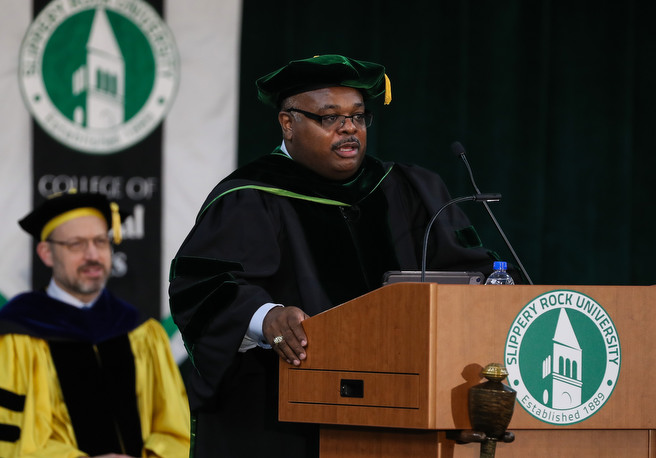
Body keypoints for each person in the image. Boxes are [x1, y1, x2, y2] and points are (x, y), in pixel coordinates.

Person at [168, 54, 503, 457]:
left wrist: (496, 288)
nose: (349, 128)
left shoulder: (409, 189)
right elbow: (200, 286)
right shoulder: (248, 196)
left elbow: (468, 268)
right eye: (330, 117)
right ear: (287, 123)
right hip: (281, 419)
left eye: (358, 117)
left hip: (399, 410)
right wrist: (265, 317)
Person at [0, 192, 190, 458]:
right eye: (76, 244)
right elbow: (13, 437)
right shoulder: (17, 334)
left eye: (101, 241)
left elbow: (175, 428)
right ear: (46, 253)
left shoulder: (141, 331)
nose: (93, 255)